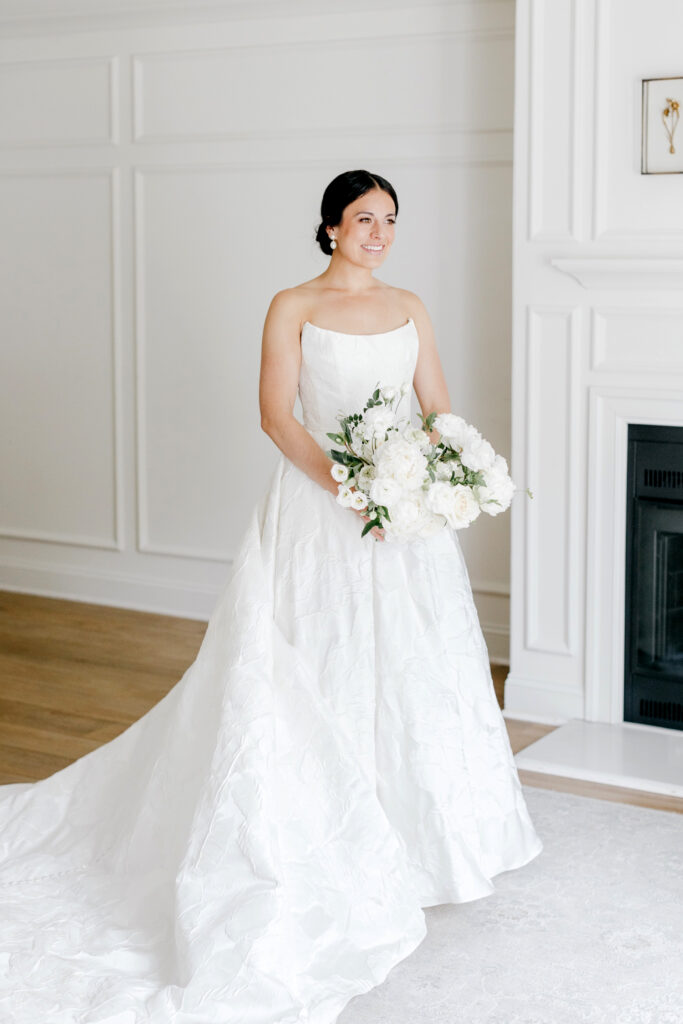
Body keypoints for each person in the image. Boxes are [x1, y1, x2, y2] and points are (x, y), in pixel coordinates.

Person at [0, 169, 543, 1024]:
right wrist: (351, 487)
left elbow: (434, 405)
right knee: (311, 664)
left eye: (390, 220)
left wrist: (443, 474)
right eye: (364, 219)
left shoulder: (410, 303)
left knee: (413, 667)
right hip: (323, 504)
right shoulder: (291, 305)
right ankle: (320, 838)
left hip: (404, 522)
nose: (379, 233)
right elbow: (275, 415)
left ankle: (423, 844)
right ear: (329, 228)